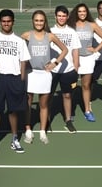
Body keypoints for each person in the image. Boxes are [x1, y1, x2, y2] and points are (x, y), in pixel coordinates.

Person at [0, 9, 30, 154]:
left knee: (13, 111)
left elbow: (23, 62)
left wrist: (22, 80)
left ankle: (14, 138)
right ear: (0, 22)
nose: (6, 23)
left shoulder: (20, 41)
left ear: (13, 22)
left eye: (9, 21)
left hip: (14, 78)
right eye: (3, 21)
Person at [20, 10, 67, 145]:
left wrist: (55, 63)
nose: (39, 23)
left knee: (44, 104)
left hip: (45, 74)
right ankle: (28, 130)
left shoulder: (50, 36)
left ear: (44, 21)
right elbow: (18, 49)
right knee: (28, 103)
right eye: (36, 20)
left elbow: (64, 50)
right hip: (30, 73)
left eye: (41, 20)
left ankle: (42, 132)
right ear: (32, 21)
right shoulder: (26, 35)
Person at [68, 3, 102, 122]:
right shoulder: (71, 25)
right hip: (74, 59)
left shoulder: (92, 25)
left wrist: (96, 49)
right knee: (72, 86)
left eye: (84, 11)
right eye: (80, 11)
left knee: (86, 86)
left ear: (87, 13)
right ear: (76, 12)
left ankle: (87, 110)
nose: (82, 13)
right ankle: (70, 111)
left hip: (87, 59)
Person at [49, 5, 81, 133]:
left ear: (67, 17)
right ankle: (46, 120)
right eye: (59, 16)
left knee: (67, 95)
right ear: (55, 16)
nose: (61, 18)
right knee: (48, 96)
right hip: (52, 70)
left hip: (68, 70)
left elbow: (75, 51)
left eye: (64, 16)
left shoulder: (72, 32)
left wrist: (76, 68)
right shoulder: (50, 31)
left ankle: (68, 120)